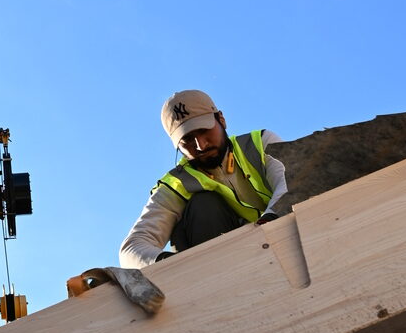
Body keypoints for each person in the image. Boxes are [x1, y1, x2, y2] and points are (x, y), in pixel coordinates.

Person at [119, 89, 288, 270]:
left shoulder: (260, 144)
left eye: (203, 130)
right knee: (203, 203)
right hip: (219, 268)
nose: (200, 145)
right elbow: (132, 248)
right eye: (187, 139)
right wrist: (168, 264)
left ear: (221, 119)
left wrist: (266, 223)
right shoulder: (176, 183)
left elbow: (293, 183)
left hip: (280, 244)